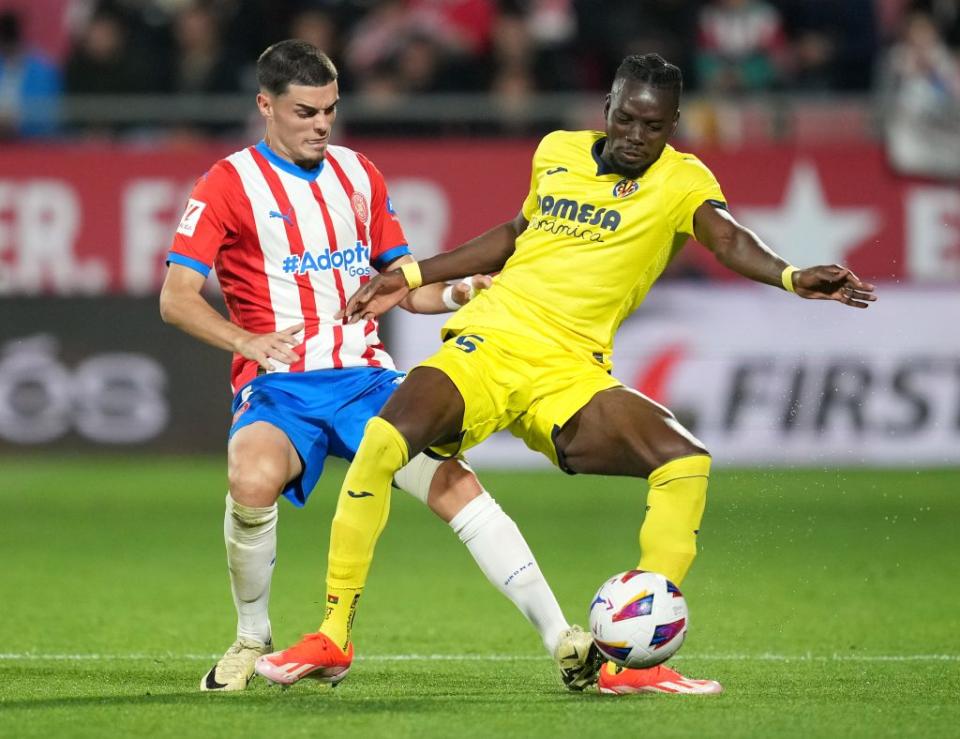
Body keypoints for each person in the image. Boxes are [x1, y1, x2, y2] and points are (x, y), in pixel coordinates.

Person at [262, 52, 877, 695]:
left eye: (658, 126)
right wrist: (412, 274)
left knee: (685, 460)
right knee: (384, 442)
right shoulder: (557, 150)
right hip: (491, 344)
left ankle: (628, 660)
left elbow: (726, 238)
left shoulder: (682, 181)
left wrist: (790, 275)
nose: (640, 137)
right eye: (631, 119)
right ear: (608, 106)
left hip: (572, 373)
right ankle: (334, 635)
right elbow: (517, 233)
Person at [159, 39, 603, 693]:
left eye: (330, 110)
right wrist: (243, 340)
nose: (320, 124)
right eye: (306, 111)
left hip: (366, 375)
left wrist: (458, 291)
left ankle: (563, 638)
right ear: (265, 106)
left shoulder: (359, 174)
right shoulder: (226, 184)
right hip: (280, 384)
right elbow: (175, 297)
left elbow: (402, 286)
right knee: (249, 476)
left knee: (452, 482)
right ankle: (251, 636)